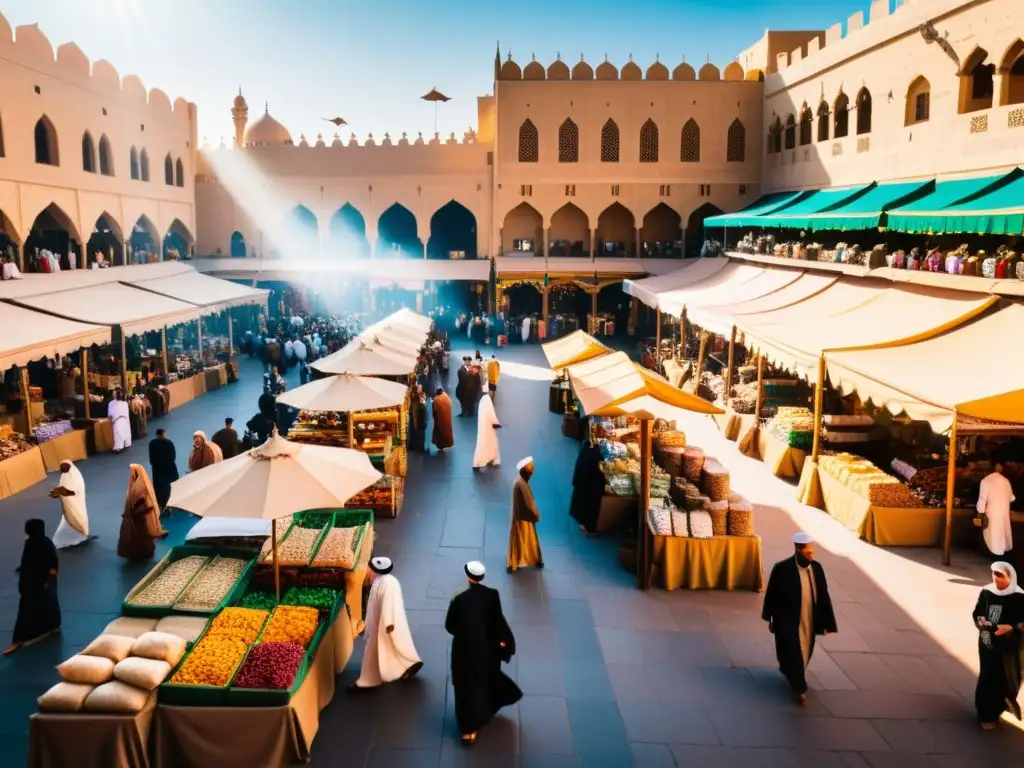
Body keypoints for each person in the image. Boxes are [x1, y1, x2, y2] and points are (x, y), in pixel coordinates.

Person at [445, 561, 521, 745]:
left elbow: (450, 626)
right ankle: (481, 715)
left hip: (463, 651)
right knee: (482, 683)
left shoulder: (458, 598)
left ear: (467, 575)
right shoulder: (492, 595)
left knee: (464, 687)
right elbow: (496, 622)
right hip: (486, 650)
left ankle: (468, 729)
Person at [761, 533, 838, 704]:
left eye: (812, 551)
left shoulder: (817, 568)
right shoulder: (782, 569)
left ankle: (795, 674)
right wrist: (771, 618)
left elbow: (823, 595)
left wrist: (827, 622)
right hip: (788, 620)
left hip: (809, 618)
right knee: (792, 649)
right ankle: (799, 689)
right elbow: (772, 595)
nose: (811, 555)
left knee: (805, 649)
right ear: (797, 550)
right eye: (807, 551)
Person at [351, 557, 423, 690]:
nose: (368, 571)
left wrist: (388, 623)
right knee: (393, 647)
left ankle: (367, 681)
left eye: (370, 569)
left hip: (383, 624)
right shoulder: (385, 581)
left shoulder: (386, 584)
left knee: (374, 651)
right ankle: (408, 664)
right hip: (380, 623)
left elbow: (388, 604)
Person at [973, 561, 1024, 729]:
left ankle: (999, 708)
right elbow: (978, 612)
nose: (996, 578)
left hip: (1010, 645)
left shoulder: (1019, 597)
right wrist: (982, 623)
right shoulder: (987, 592)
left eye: (1000, 575)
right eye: (994, 574)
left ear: (1010, 576)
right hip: (988, 642)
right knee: (988, 674)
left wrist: (1011, 627)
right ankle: (986, 714)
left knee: (1007, 677)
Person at [3, 520, 61, 655]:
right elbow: (28, 559)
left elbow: (53, 564)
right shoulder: (33, 542)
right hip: (32, 582)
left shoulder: (44, 544)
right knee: (44, 604)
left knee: (29, 608)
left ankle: (21, 638)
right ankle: (51, 626)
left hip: (40, 582)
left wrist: (49, 580)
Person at [117, 464, 165, 560]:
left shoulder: (140, 486)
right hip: (136, 515)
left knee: (141, 535)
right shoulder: (135, 483)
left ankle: (142, 552)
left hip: (139, 516)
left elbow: (143, 501)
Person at [508, 457, 543, 573]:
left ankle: (515, 562)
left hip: (519, 517)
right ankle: (534, 559)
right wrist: (536, 515)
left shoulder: (518, 482)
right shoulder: (522, 485)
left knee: (519, 541)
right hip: (524, 519)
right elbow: (529, 504)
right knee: (530, 540)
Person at [50, 460, 90, 549]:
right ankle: (67, 537)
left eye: (64, 467)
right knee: (67, 519)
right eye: (61, 468)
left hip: (76, 502)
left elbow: (75, 491)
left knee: (78, 517)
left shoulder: (76, 476)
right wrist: (56, 492)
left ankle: (82, 534)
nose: (62, 469)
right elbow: (61, 487)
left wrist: (62, 492)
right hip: (68, 505)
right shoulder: (64, 476)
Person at [978, 463, 1015, 557]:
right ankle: (1003, 553)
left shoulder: (985, 481)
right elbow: (1011, 498)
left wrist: (980, 512)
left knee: (992, 535)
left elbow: (982, 499)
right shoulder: (1006, 481)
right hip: (1004, 512)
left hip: (992, 512)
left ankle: (993, 555)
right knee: (1003, 532)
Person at [569, 440, 604, 536]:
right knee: (590, 503)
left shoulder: (585, 452)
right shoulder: (597, 457)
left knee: (582, 500)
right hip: (589, 484)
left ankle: (584, 523)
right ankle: (589, 527)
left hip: (582, 482)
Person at [149, 428, 179, 512]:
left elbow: (151, 458)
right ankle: (168, 505)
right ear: (164, 433)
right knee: (168, 487)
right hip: (169, 469)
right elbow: (173, 456)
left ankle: (160, 505)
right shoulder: (169, 443)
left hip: (157, 470)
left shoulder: (152, 443)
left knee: (158, 487)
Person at [473, 392, 502, 470]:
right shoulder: (487, 401)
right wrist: (497, 423)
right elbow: (491, 414)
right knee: (493, 442)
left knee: (482, 443)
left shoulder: (482, 402)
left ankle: (478, 462)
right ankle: (491, 458)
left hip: (483, 428)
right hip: (489, 428)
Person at [108, 387, 131, 452]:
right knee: (123, 428)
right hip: (124, 420)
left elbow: (110, 415)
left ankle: (118, 446)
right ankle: (125, 442)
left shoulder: (111, 403)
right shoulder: (125, 403)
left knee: (117, 430)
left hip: (117, 421)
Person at [432, 387, 454, 452]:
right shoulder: (447, 397)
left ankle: (440, 445)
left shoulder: (436, 399)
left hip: (439, 419)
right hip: (447, 418)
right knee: (447, 431)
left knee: (440, 432)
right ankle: (448, 443)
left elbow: (434, 411)